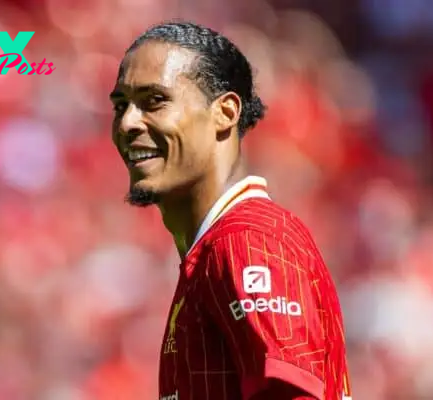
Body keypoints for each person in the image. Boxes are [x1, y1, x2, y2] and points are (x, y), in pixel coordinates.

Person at [109, 21, 352, 400]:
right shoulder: (215, 248)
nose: (127, 123)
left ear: (224, 113)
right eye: (121, 105)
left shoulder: (247, 241)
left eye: (154, 101)